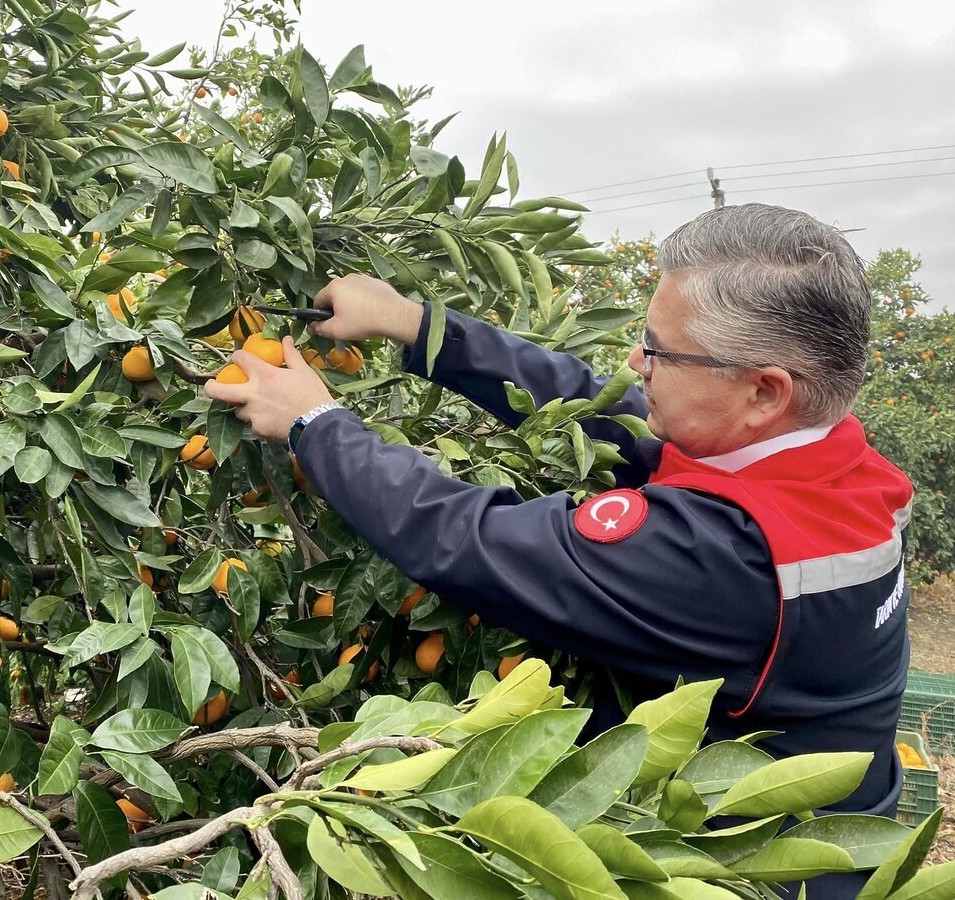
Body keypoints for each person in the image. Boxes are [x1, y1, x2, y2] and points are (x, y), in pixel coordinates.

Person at [204, 203, 913, 898]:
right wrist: (412, 323)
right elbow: (600, 410)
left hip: (758, 872)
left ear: (763, 392)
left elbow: (469, 538)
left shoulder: (729, 558)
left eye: (660, 350)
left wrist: (314, 423)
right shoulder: (831, 466)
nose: (637, 361)